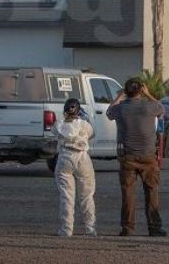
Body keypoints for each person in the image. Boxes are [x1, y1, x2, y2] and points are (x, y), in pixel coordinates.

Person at [107, 78, 167, 237]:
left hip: (128, 156)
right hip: (148, 156)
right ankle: (154, 227)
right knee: (152, 191)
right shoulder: (150, 106)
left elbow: (108, 112)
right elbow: (162, 108)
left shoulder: (121, 109)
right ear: (141, 90)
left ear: (126, 91)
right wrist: (149, 95)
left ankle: (128, 228)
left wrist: (119, 97)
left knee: (128, 194)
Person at [52, 98, 96, 237]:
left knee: (66, 196)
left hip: (65, 157)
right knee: (87, 196)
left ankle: (66, 229)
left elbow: (55, 132)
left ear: (65, 112)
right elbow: (92, 133)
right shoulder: (84, 125)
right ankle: (90, 228)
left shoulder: (58, 125)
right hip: (82, 157)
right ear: (78, 111)